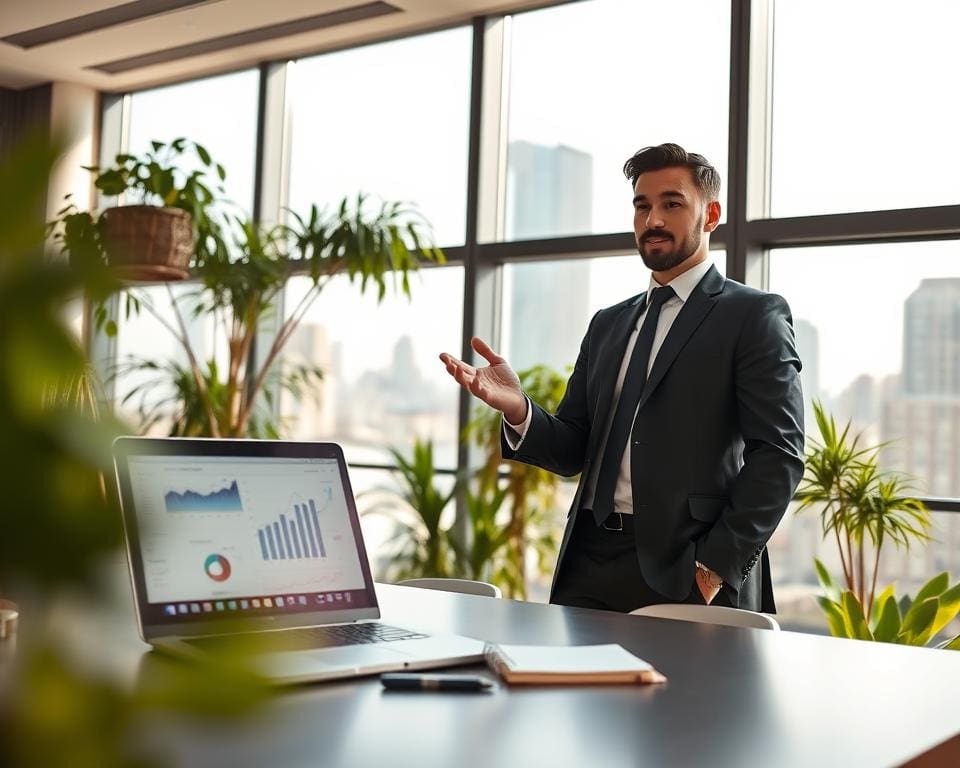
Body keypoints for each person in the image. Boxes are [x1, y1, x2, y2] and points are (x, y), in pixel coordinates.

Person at [440, 143, 804, 613]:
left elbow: (779, 455)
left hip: (687, 569)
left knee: (687, 692)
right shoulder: (608, 324)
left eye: (672, 204)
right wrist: (519, 410)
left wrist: (712, 569)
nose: (653, 219)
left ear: (711, 214)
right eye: (642, 205)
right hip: (587, 563)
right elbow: (574, 447)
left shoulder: (753, 315)